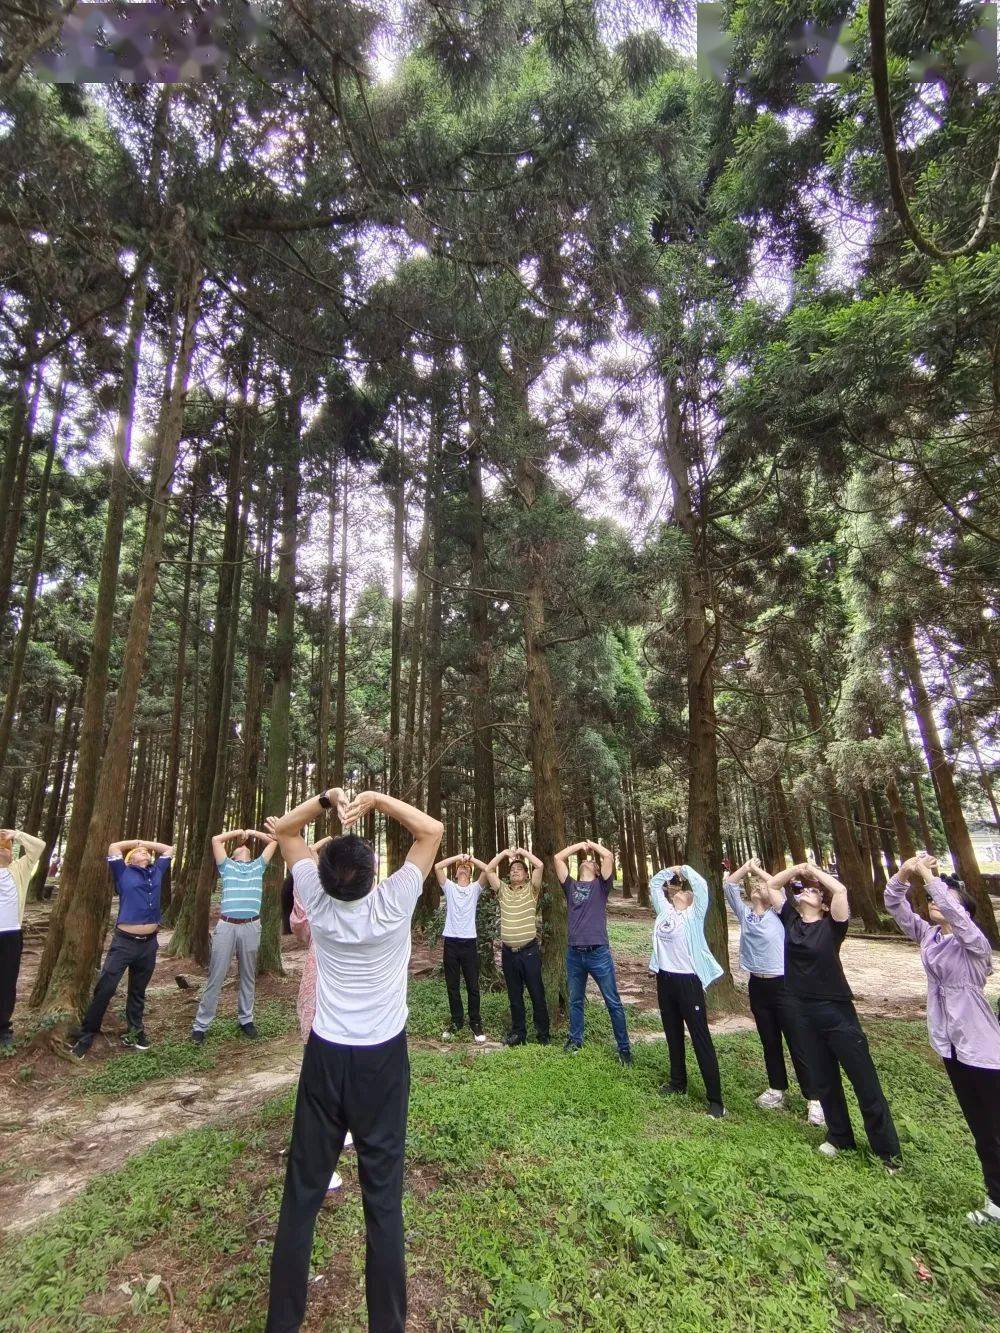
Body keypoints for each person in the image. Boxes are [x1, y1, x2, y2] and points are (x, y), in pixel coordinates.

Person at [264, 785, 442, 1333]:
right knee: (383, 1200)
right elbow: (431, 831)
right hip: (383, 1060)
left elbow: (284, 832)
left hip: (325, 1057)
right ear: (373, 876)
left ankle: (282, 1324)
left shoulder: (315, 901)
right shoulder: (393, 903)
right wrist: (378, 800)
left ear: (323, 878)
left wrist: (328, 800)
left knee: (302, 1193)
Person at [758, 859, 901, 1171]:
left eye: (813, 892)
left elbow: (840, 889)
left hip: (835, 1011)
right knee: (824, 1079)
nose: (806, 892)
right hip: (801, 1009)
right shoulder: (791, 921)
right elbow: (771, 886)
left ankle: (887, 1151)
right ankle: (839, 1135)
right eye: (804, 891)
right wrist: (796, 871)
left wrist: (815, 873)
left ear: (822, 905)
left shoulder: (832, 925)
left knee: (864, 1080)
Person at [885, 852, 1000, 1224]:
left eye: (946, 897)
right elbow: (894, 903)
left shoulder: (975, 945)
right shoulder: (929, 936)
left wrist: (930, 876)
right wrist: (905, 872)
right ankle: (996, 1200)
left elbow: (960, 921)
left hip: (982, 1046)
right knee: (981, 1128)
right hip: (949, 1043)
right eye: (934, 896)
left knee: (996, 1126)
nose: (935, 901)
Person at [723, 858, 823, 1125]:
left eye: (762, 887)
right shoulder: (746, 914)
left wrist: (759, 872)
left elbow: (776, 885)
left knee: (797, 1041)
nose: (758, 887)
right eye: (755, 886)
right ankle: (776, 1089)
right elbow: (730, 885)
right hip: (758, 985)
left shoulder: (782, 917)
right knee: (769, 1040)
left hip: (784, 986)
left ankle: (815, 1099)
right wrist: (746, 868)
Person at [288, 835, 353, 1196]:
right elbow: (300, 925)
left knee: (342, 1071)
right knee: (319, 1076)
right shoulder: (316, 905)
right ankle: (318, 1161)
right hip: (321, 998)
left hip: (348, 1007)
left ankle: (340, 1128)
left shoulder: (363, 904)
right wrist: (308, 864)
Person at [72, 837, 174, 1057]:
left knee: (138, 990)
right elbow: (113, 847)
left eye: (147, 852)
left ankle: (136, 1031)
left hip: (149, 944)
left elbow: (168, 849)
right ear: (129, 859)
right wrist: (136, 842)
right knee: (106, 988)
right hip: (124, 943)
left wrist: (146, 844)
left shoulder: (156, 871)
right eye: (139, 852)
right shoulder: (122, 871)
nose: (144, 852)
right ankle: (87, 1034)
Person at [648, 863, 726, 1118]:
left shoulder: (694, 915)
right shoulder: (666, 913)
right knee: (672, 1033)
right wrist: (669, 871)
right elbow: (654, 885)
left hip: (688, 982)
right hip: (665, 978)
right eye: (678, 890)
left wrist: (685, 870)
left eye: (684, 891)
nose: (679, 891)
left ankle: (716, 1100)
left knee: (700, 1036)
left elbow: (702, 887)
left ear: (692, 900)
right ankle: (677, 1082)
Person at [190, 827, 278, 1044]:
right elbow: (215, 839)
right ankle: (201, 1025)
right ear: (233, 855)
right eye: (240, 847)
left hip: (251, 926)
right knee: (216, 976)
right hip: (227, 927)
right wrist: (238, 832)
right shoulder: (227, 866)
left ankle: (246, 1019)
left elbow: (273, 842)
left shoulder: (258, 866)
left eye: (246, 847)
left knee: (248, 975)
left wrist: (253, 833)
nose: (244, 847)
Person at [554, 838, 631, 1064]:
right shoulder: (571, 887)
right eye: (584, 861)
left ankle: (624, 1048)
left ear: (598, 872)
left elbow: (608, 857)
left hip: (598, 953)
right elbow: (558, 858)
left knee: (613, 1001)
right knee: (575, 1000)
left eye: (591, 861)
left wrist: (592, 845)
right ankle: (575, 1040)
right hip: (574, 954)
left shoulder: (601, 886)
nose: (587, 861)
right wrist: (580, 846)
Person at [489, 846, 550, 1048]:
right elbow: (489, 871)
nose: (514, 871)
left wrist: (522, 853)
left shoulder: (532, 890)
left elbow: (540, 865)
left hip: (529, 952)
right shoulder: (503, 891)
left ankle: (543, 1035)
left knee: (536, 994)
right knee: (514, 996)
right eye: (512, 869)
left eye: (519, 869)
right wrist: (504, 855)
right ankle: (518, 1033)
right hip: (508, 953)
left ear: (526, 874)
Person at [434, 852, 493, 1043]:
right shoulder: (449, 888)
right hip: (451, 942)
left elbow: (488, 869)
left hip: (469, 943)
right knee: (452, 986)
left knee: (472, 986)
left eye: (466, 868)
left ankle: (475, 1022)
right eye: (460, 867)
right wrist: (458, 857)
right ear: (456, 871)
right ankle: (457, 1021)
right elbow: (437, 867)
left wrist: (470, 859)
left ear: (470, 872)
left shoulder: (475, 889)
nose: (463, 868)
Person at [0, 828, 45, 1048]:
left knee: (7, 982)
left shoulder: (19, 868)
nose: (3, 850)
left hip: (11, 934)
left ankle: (3, 1028)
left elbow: (39, 846)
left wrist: (16, 835)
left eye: (6, 848)